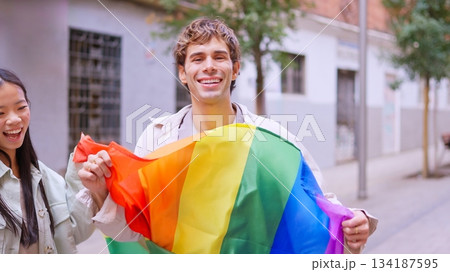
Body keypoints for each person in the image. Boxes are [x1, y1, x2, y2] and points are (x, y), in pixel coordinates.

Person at [77, 17, 377, 253]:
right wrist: (100, 192)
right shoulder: (158, 141)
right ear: (183, 73)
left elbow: (313, 206)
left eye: (219, 57)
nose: (209, 66)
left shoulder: (270, 140)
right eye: (197, 58)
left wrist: (354, 224)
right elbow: (134, 227)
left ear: (235, 69)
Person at [0, 68, 95, 253]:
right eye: (0, 113)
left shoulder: (42, 175)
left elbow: (73, 233)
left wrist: (83, 174)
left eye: (21, 107)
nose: (14, 119)